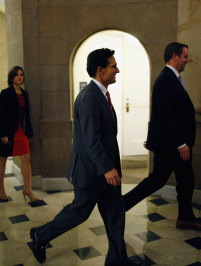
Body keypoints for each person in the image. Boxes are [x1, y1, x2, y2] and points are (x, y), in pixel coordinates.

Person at [29, 48, 138, 266]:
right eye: (113, 66)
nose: (117, 70)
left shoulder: (102, 94)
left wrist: (110, 168)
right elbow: (91, 139)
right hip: (91, 172)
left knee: (115, 213)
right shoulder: (89, 97)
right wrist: (107, 168)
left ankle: (118, 260)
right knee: (79, 213)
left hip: (107, 170)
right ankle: (40, 236)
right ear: (100, 70)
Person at [123, 42, 201, 231]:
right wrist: (180, 144)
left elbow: (169, 114)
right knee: (158, 180)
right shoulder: (166, 80)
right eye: (185, 56)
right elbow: (164, 115)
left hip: (174, 144)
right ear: (174, 56)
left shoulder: (172, 79)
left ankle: (185, 218)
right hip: (173, 146)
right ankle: (120, 206)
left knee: (185, 180)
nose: (188, 60)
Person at [0, 66, 38, 202]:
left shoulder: (25, 94)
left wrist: (29, 132)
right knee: (3, 158)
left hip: (21, 131)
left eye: (21, 75)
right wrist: (3, 134)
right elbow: (0, 115)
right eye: (17, 75)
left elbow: (27, 115)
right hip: (6, 131)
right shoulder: (5, 93)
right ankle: (0, 187)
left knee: (26, 158)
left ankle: (28, 189)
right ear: (11, 77)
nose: (20, 77)